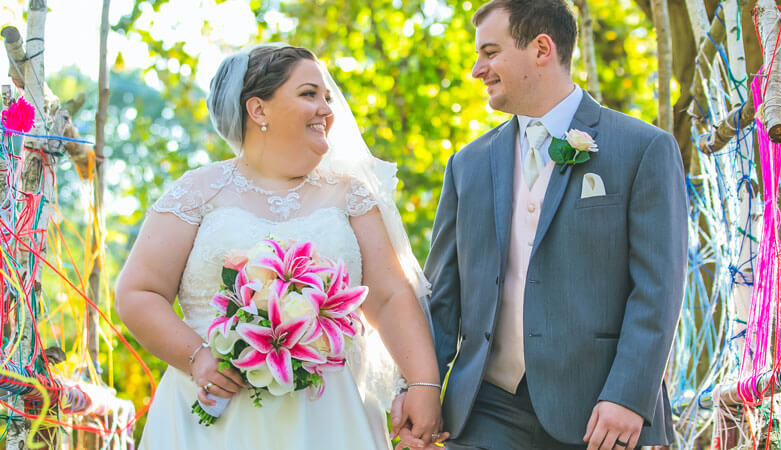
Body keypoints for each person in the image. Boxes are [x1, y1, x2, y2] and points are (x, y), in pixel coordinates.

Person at [115, 43, 446, 449]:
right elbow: (138, 293)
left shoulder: (351, 197)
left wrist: (423, 383)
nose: (327, 109)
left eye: (327, 96)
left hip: (329, 420)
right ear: (258, 110)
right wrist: (198, 358)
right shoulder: (198, 191)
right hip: (216, 416)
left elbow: (392, 296)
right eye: (309, 94)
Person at [392, 0, 687, 449]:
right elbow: (443, 296)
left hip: (600, 415)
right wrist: (418, 386)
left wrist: (629, 395)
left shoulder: (643, 148)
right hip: (484, 409)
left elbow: (658, 288)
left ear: (542, 48)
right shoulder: (467, 165)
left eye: (490, 52)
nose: (477, 69)